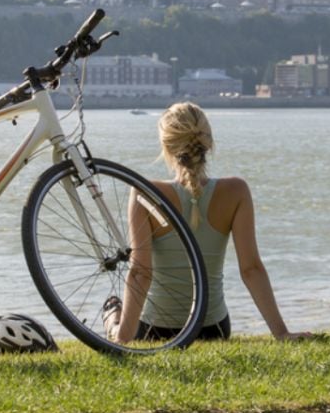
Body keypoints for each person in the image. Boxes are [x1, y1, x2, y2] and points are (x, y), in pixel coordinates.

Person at [109, 102, 311, 343]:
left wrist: (122, 341)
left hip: (156, 329)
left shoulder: (146, 192)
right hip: (213, 328)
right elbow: (251, 269)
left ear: (166, 146)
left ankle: (113, 319)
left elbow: (141, 273)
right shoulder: (237, 191)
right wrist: (282, 333)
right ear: (209, 142)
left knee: (112, 312)